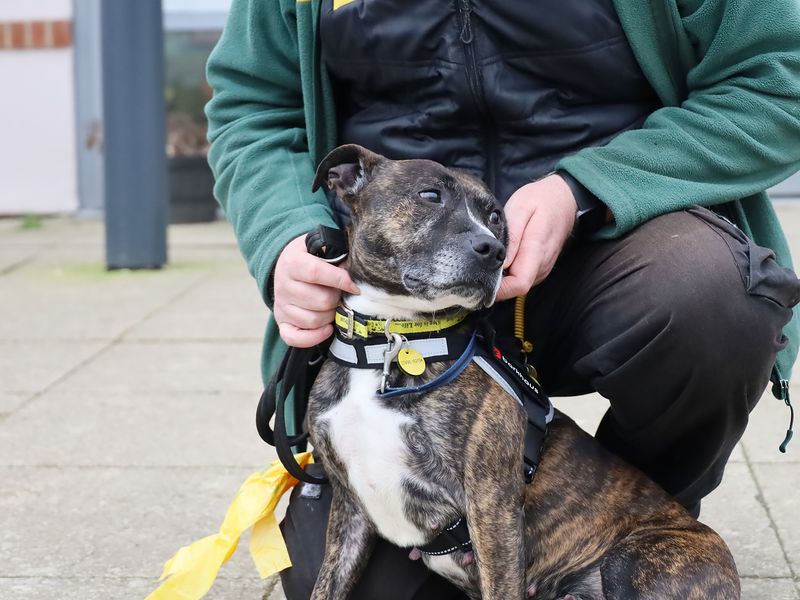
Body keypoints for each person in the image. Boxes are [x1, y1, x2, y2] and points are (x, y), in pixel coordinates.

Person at [205, 0, 800, 597]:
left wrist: (588, 187)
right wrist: (285, 232)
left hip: (613, 248)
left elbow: (781, 78)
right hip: (390, 299)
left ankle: (632, 527)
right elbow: (254, 105)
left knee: (707, 298)